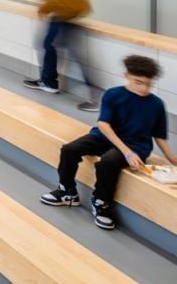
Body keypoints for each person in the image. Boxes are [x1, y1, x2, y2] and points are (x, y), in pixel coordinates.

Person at [41, 55, 177, 230]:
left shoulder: (156, 104)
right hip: (106, 137)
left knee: (108, 162)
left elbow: (159, 135)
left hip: (136, 145)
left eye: (148, 84)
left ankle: (101, 202)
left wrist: (171, 158)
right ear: (126, 76)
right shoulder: (113, 95)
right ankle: (67, 192)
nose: (144, 88)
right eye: (138, 82)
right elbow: (104, 125)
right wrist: (126, 152)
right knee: (69, 149)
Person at [22, 0, 98, 111]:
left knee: (73, 53)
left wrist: (46, 8)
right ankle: (48, 81)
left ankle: (96, 97)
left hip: (63, 14)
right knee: (48, 44)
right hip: (64, 13)